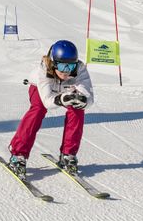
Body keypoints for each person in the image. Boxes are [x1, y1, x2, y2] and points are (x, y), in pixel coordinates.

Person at [8, 40, 94, 177]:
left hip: (65, 90)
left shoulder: (80, 69)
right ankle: (18, 154)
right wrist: (61, 99)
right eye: (61, 66)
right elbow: (47, 101)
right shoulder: (44, 69)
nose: (66, 72)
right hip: (40, 89)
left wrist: (83, 100)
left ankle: (68, 154)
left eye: (70, 66)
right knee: (38, 109)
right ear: (53, 62)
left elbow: (89, 97)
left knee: (77, 108)